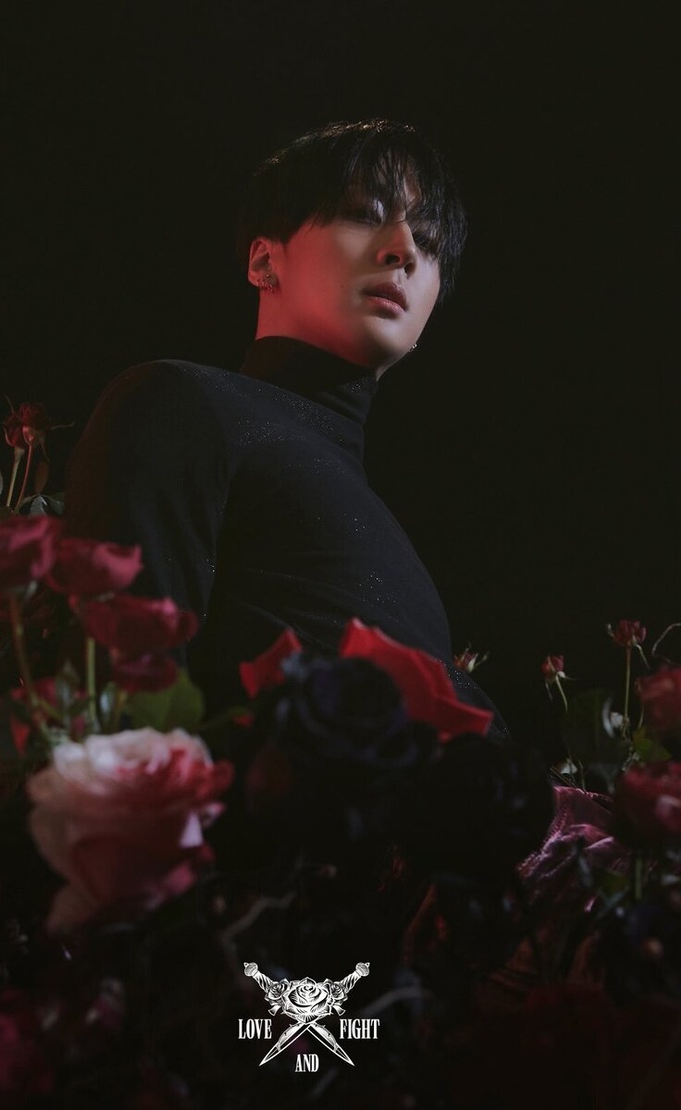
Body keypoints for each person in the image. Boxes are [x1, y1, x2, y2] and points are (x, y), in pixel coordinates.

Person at [65, 118, 507, 737]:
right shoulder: (180, 402)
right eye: (364, 214)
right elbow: (123, 709)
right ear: (264, 258)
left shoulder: (404, 554)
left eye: (429, 242)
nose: (404, 250)